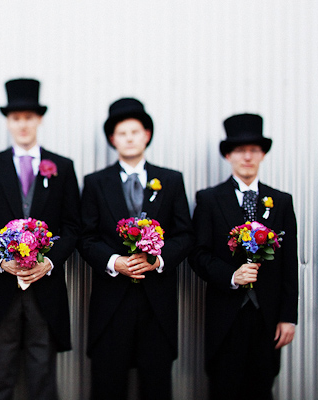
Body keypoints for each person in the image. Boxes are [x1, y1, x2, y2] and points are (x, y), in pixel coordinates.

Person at [0, 78, 80, 400]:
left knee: (42, 376)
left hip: (46, 288)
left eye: (29, 117)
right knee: (0, 376)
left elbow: (73, 225)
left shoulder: (62, 167)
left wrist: (50, 261)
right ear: (8, 121)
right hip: (1, 287)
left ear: (39, 119)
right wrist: (1, 260)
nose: (23, 124)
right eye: (16, 118)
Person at [80, 98, 193, 399]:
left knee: (156, 385)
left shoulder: (170, 180)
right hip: (111, 303)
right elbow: (86, 237)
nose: (129, 138)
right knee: (107, 384)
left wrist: (158, 260)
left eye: (135, 131)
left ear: (147, 135)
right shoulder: (95, 183)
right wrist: (114, 261)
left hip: (157, 303)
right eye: (122, 133)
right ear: (112, 139)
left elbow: (184, 235)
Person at [189, 113, 298, 400]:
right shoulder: (209, 199)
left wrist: (288, 317)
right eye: (239, 150)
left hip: (268, 316)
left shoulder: (281, 201)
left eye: (253, 150)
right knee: (224, 387)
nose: (247, 156)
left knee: (262, 388)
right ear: (228, 155)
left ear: (262, 154)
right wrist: (231, 276)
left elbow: (289, 264)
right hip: (226, 316)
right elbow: (198, 255)